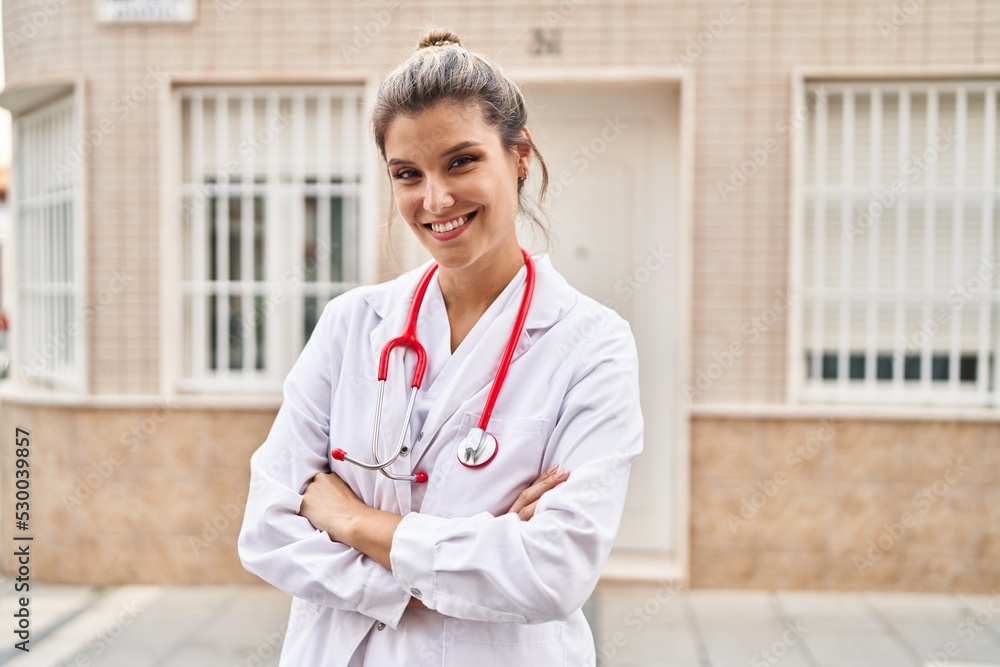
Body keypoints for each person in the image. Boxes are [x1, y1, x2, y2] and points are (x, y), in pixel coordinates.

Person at [238, 28, 643, 667]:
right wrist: (470, 555)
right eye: (408, 174)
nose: (436, 200)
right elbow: (266, 529)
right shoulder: (351, 325)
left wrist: (352, 522)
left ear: (519, 156)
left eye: (461, 161)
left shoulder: (591, 345)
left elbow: (553, 572)